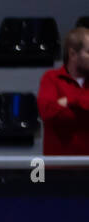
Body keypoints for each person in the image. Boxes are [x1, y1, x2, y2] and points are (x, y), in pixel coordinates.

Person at [37, 26, 89, 155]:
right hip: (58, 168)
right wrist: (80, 103)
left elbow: (61, 114)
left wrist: (67, 101)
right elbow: (47, 112)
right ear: (73, 54)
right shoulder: (51, 78)